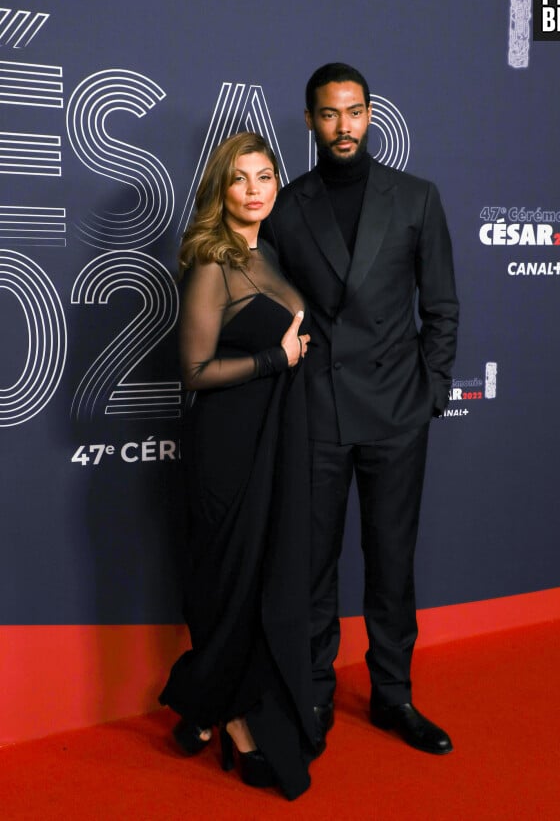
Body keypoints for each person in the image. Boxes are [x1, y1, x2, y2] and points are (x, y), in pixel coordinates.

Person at [262, 63, 459, 756]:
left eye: (354, 112)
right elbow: (267, 309)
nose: (342, 126)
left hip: (396, 409)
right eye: (328, 114)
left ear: (370, 115)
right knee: (313, 562)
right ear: (310, 120)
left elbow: (440, 306)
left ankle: (393, 695)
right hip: (317, 409)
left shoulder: (416, 198)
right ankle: (315, 691)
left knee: (391, 560)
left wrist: (429, 392)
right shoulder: (287, 207)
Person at [159, 132, 316, 800]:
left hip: (271, 442)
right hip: (224, 445)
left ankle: (199, 705)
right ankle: (233, 724)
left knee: (253, 582)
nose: (255, 189)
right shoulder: (209, 263)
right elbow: (194, 370)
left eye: (265, 177)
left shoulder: (270, 253)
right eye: (239, 179)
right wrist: (273, 360)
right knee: (226, 581)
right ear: (219, 190)